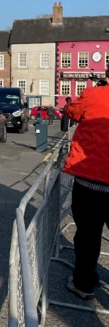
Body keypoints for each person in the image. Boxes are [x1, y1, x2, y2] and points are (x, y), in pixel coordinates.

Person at [62, 69, 109, 299]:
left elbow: (72, 112)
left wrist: (71, 101)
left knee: (88, 236)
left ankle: (83, 284)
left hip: (90, 183)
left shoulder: (93, 95)